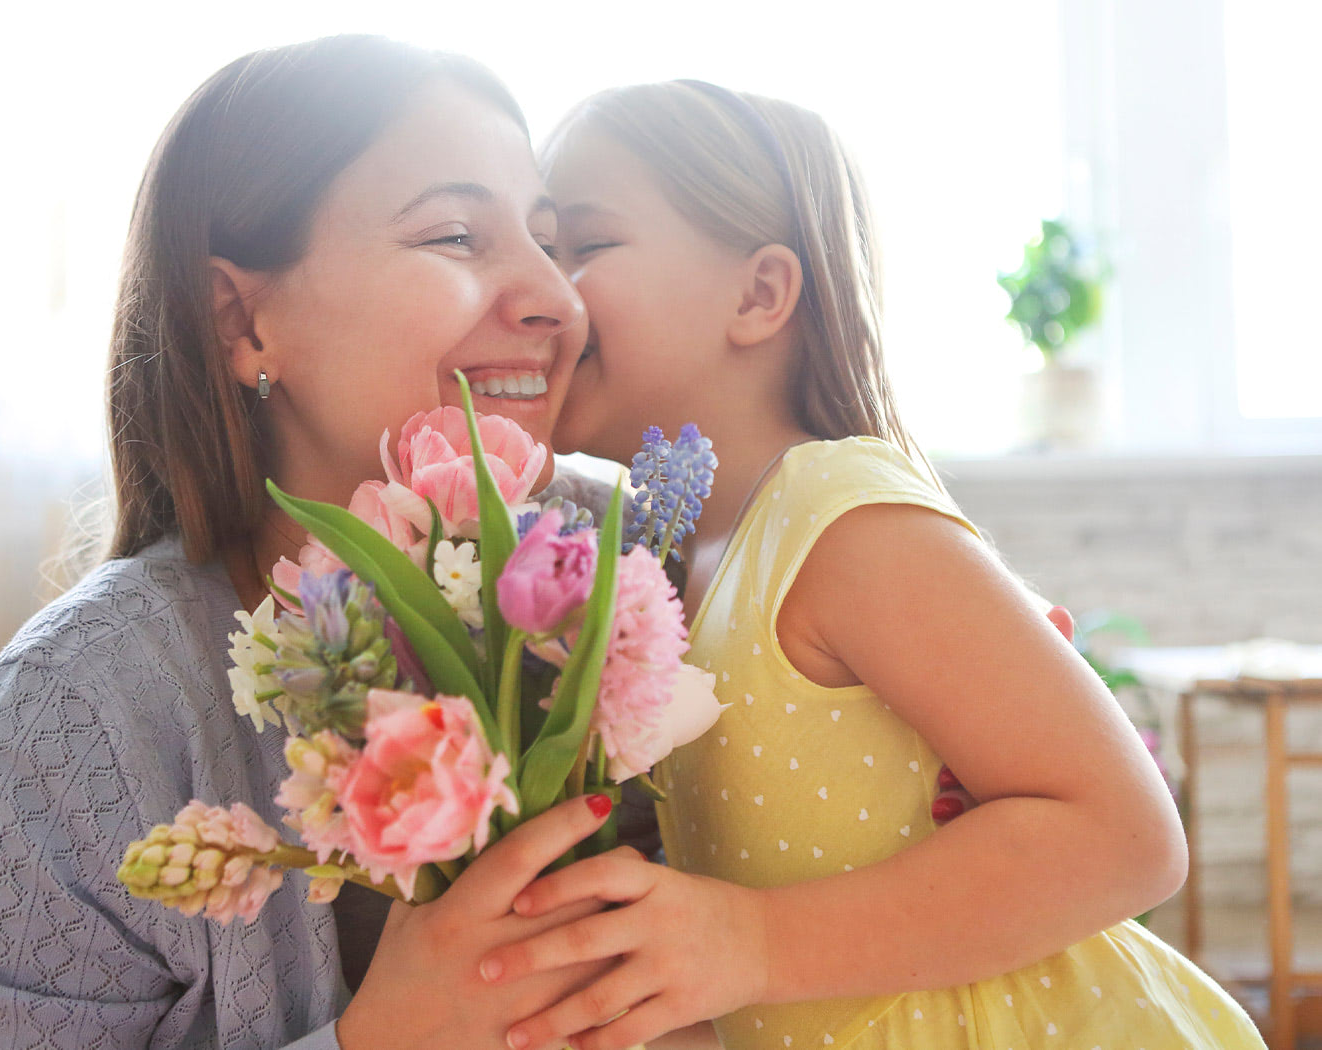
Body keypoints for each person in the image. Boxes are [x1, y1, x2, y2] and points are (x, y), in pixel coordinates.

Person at [469, 81, 1268, 1050]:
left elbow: (1126, 836)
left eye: (584, 246)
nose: (550, 293)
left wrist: (755, 941)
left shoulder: (834, 515)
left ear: (759, 296)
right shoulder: (672, 562)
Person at [0, 35, 631, 1050]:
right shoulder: (78, 718)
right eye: (455, 235)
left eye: (550, 241)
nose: (557, 300)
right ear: (241, 321)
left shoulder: (634, 572)